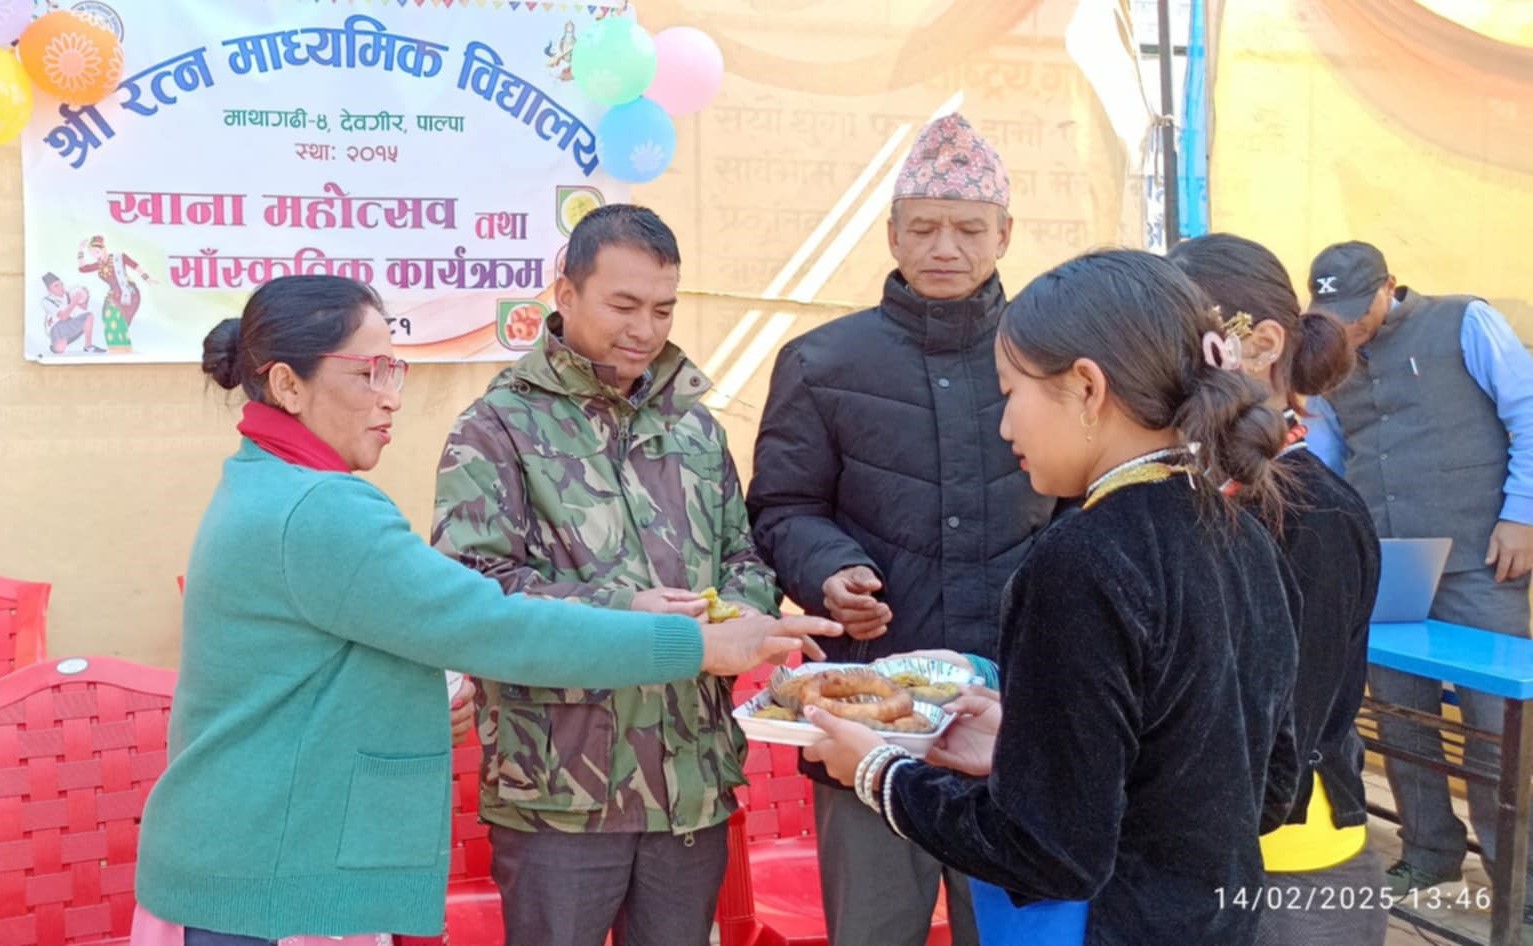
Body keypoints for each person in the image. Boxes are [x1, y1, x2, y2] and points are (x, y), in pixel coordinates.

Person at [130, 275, 838, 946]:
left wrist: (407, 702)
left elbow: (305, 675)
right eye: (367, 371)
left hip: (255, 856)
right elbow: (496, 624)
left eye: (394, 369)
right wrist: (696, 646)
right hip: (269, 877)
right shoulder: (322, 507)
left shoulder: (269, 484)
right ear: (288, 384)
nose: (390, 397)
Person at [803, 249, 1302, 946]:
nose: (1005, 426)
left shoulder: (1080, 558)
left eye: (1010, 392)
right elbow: (1265, 787)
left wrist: (879, 773)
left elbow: (1050, 853)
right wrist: (1028, 747)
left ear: (1086, 387)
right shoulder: (1242, 533)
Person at [432, 205, 779, 946]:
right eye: (623, 305)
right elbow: (471, 590)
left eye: (661, 309)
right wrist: (627, 609)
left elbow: (742, 556)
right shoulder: (497, 428)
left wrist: (735, 616)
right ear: (565, 295)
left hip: (690, 780)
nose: (645, 330)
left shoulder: (694, 427)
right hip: (562, 790)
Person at [747, 111, 1055, 946]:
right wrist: (829, 572)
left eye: (966, 228)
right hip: (867, 715)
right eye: (922, 226)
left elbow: (1089, 507)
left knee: (1011, 928)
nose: (944, 246)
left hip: (1023, 714)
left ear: (1004, 234)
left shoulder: (1057, 359)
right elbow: (780, 506)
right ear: (890, 233)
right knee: (873, 927)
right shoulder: (822, 363)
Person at [1303, 241, 1533, 911]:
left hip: (1480, 557)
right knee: (1401, 718)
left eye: (1356, 310)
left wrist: (1522, 516)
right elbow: (1325, 454)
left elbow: (1528, 414)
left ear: (1388, 288)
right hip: (1387, 561)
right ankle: (1427, 854)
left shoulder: (1464, 321)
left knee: (1497, 732)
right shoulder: (1325, 347)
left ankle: (1518, 888)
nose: (1348, 326)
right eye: (1331, 312)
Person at [1170, 233, 1385, 945]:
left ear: (1261, 342)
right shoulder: (1183, 491)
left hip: (1291, 865)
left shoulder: (1316, 515)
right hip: (1190, 855)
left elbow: (1290, 724)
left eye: (1180, 345)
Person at [78, 234, 153, 353]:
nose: (95, 256)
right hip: (113, 294)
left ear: (103, 249)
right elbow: (82, 269)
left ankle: (124, 349)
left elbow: (135, 266)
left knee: (119, 320)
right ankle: (115, 350)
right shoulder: (99, 265)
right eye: (92, 254)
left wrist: (147, 278)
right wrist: (80, 250)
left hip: (128, 292)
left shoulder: (119, 258)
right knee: (108, 318)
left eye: (97, 252)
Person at [40, 272, 104, 354]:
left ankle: (88, 346)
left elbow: (83, 308)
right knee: (59, 350)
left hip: (70, 323)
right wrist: (74, 302)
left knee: (88, 316)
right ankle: (56, 345)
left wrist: (85, 297)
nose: (61, 287)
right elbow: (63, 316)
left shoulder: (68, 294)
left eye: (61, 284)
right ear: (49, 290)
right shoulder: (47, 301)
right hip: (57, 328)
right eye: (56, 286)